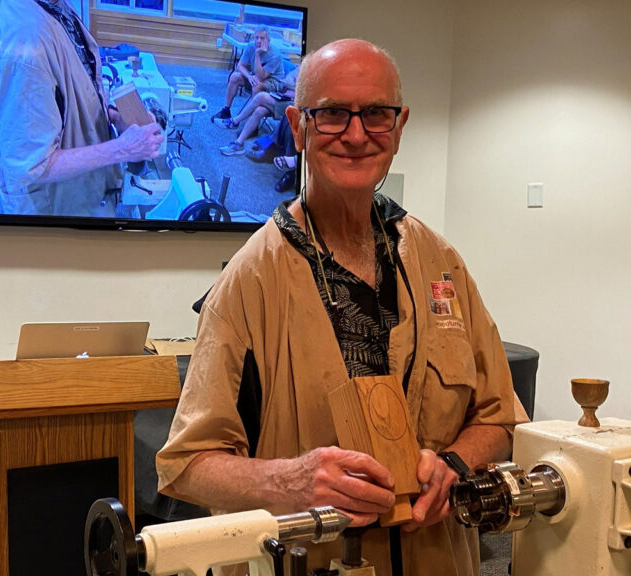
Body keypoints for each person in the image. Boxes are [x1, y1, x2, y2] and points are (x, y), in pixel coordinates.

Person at [157, 39, 526, 576]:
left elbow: (502, 416)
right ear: (299, 125)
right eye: (331, 114)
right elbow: (186, 466)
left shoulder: (439, 262)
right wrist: (292, 480)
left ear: (399, 127)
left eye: (376, 113)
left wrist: (453, 463)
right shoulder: (251, 278)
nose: (356, 135)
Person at [0, 0, 163, 216]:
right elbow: (34, 164)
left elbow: (70, 89)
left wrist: (113, 116)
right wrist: (123, 149)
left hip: (83, 191)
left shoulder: (54, 5)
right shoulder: (24, 42)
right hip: (54, 213)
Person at [219, 67, 298, 156]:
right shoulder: (301, 68)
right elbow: (286, 82)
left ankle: (234, 122)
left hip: (295, 107)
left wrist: (294, 88)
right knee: (259, 111)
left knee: (261, 97)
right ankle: (239, 144)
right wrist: (293, 85)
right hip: (284, 99)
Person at [212, 27, 285, 122]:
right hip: (256, 75)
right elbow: (240, 66)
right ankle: (226, 110)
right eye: (257, 37)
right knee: (235, 77)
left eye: (262, 38)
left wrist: (258, 54)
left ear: (268, 40)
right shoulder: (251, 46)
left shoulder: (275, 54)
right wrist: (249, 76)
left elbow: (262, 76)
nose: (258, 41)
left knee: (257, 85)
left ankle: (251, 120)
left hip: (274, 81)